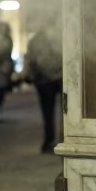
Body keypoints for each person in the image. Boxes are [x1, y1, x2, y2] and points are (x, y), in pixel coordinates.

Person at [26, 25, 63, 153]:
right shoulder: (60, 35)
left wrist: (32, 74)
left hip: (44, 79)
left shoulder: (36, 39)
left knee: (48, 113)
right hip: (58, 77)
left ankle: (49, 141)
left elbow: (30, 59)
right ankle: (62, 140)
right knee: (65, 112)